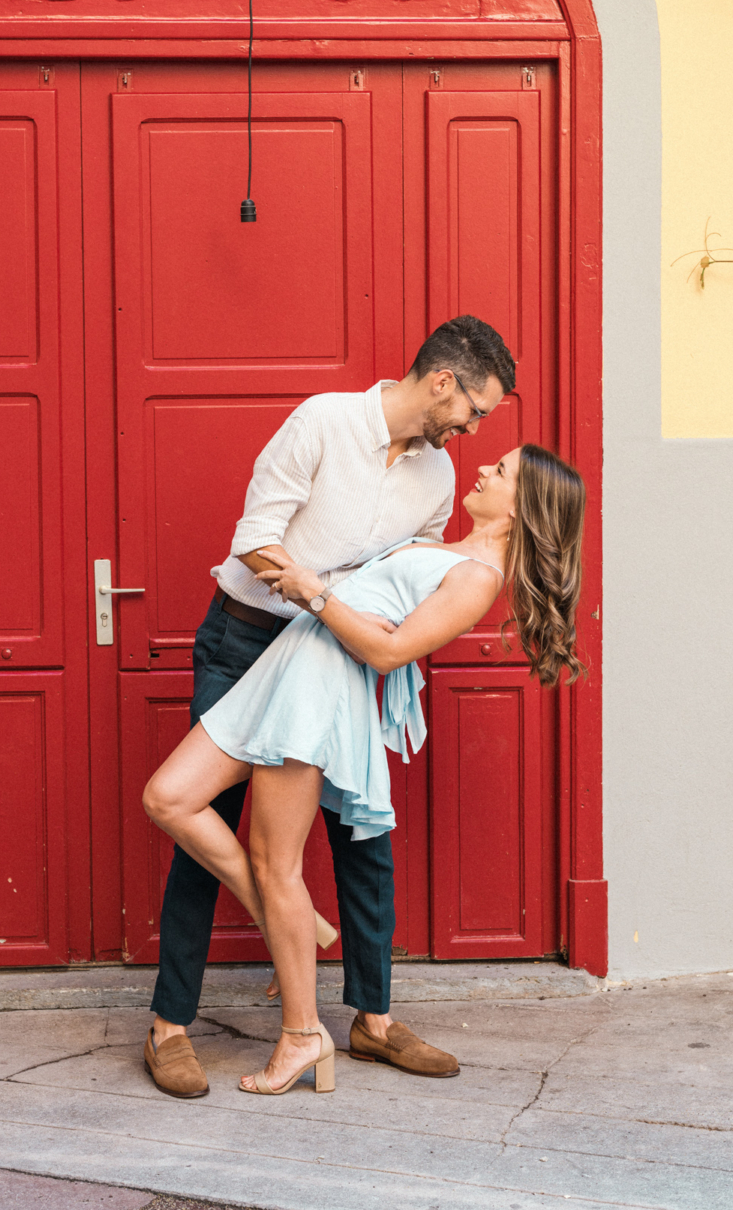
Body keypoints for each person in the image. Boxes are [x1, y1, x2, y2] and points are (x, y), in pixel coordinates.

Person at [141, 315, 517, 1100]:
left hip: (336, 658)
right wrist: (315, 591)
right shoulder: (323, 421)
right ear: (442, 381)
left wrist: (369, 636)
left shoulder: (438, 478)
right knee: (205, 820)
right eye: (475, 409)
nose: (475, 429)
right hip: (246, 641)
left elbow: (403, 577)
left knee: (362, 834)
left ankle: (372, 1021)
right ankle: (171, 1026)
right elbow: (256, 540)